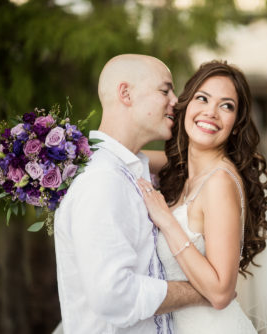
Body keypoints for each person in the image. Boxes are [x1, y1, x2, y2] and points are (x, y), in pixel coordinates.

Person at [137, 61, 267, 333]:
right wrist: (69, 149)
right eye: (202, 98)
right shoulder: (184, 170)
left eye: (226, 105)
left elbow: (221, 293)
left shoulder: (219, 182)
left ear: (236, 124)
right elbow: (130, 158)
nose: (211, 112)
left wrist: (167, 222)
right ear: (185, 105)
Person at [53, 54, 214, 334]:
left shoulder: (128, 169)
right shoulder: (102, 180)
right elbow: (114, 295)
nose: (176, 100)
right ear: (125, 93)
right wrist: (203, 292)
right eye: (165, 90)